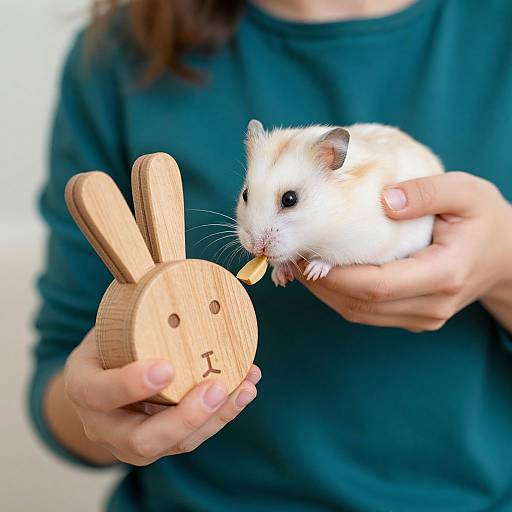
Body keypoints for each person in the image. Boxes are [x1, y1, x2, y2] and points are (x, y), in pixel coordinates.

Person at [30, 0, 512, 510]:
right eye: (246, 200)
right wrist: (105, 406)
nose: (256, 236)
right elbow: (63, 358)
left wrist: (503, 267)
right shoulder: (118, 52)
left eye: (288, 202)